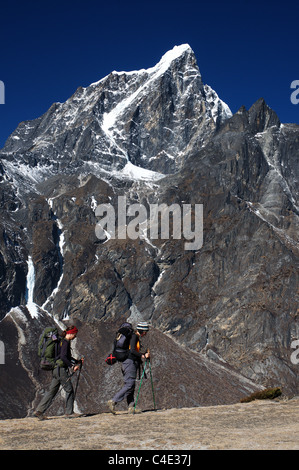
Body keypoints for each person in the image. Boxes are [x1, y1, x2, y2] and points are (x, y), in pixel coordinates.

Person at [34, 325, 83, 420]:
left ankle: (39, 411)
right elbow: (64, 357)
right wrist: (72, 366)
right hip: (61, 370)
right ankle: (69, 413)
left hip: (56, 369)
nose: (75, 337)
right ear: (71, 333)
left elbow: (63, 356)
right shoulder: (65, 343)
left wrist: (77, 361)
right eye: (75, 334)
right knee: (69, 390)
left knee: (52, 391)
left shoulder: (61, 342)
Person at [108, 321, 150, 414]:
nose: (146, 334)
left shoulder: (133, 336)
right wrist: (143, 355)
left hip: (127, 362)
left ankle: (131, 407)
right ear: (142, 331)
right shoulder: (134, 336)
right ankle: (114, 401)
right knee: (130, 384)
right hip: (129, 362)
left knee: (131, 385)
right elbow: (132, 351)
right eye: (145, 331)